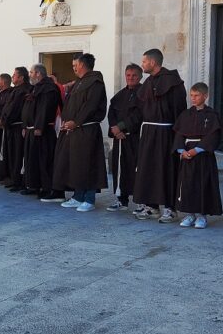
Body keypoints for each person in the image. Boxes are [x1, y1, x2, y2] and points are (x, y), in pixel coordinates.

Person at [132, 49, 187, 222]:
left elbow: (179, 111)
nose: (142, 65)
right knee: (148, 169)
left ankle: (170, 208)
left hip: (166, 133)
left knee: (166, 169)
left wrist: (179, 137)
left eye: (144, 62)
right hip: (149, 132)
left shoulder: (173, 82)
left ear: (153, 62)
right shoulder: (148, 82)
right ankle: (152, 206)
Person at [55, 53, 108, 212]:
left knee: (89, 164)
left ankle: (89, 199)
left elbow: (90, 105)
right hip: (74, 130)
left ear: (83, 65)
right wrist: (66, 121)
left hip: (87, 129)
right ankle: (78, 196)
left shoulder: (95, 82)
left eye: (75, 65)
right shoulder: (79, 82)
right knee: (76, 165)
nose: (73, 68)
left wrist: (76, 121)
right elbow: (70, 105)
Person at [172, 83, 222, 228]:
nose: (193, 98)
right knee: (187, 185)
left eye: (197, 95)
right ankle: (190, 214)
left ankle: (201, 216)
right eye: (191, 95)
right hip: (187, 155)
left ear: (205, 96)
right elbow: (179, 134)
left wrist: (198, 149)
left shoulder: (211, 115)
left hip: (203, 156)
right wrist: (181, 151)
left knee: (202, 185)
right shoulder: (185, 114)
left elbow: (213, 136)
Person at [22, 64, 62, 200]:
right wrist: (25, 125)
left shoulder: (49, 88)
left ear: (38, 73)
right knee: (32, 160)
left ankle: (47, 188)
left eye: (31, 72)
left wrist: (39, 126)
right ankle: (34, 185)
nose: (30, 75)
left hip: (42, 131)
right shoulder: (36, 88)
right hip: (32, 130)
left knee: (44, 160)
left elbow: (44, 108)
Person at [106, 64, 143, 211]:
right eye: (128, 75)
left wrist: (121, 126)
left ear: (140, 77)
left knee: (137, 169)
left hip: (135, 139)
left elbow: (139, 115)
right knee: (120, 169)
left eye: (134, 75)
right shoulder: (119, 95)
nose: (130, 78)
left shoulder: (143, 94)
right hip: (120, 139)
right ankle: (121, 199)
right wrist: (115, 130)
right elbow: (111, 114)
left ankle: (141, 201)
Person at [3, 68, 32, 190]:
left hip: (18, 126)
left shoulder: (24, 90)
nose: (12, 76)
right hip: (11, 125)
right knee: (12, 154)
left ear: (21, 78)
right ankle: (14, 179)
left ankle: (19, 181)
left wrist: (5, 120)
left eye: (15, 75)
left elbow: (15, 109)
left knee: (18, 155)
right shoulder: (16, 90)